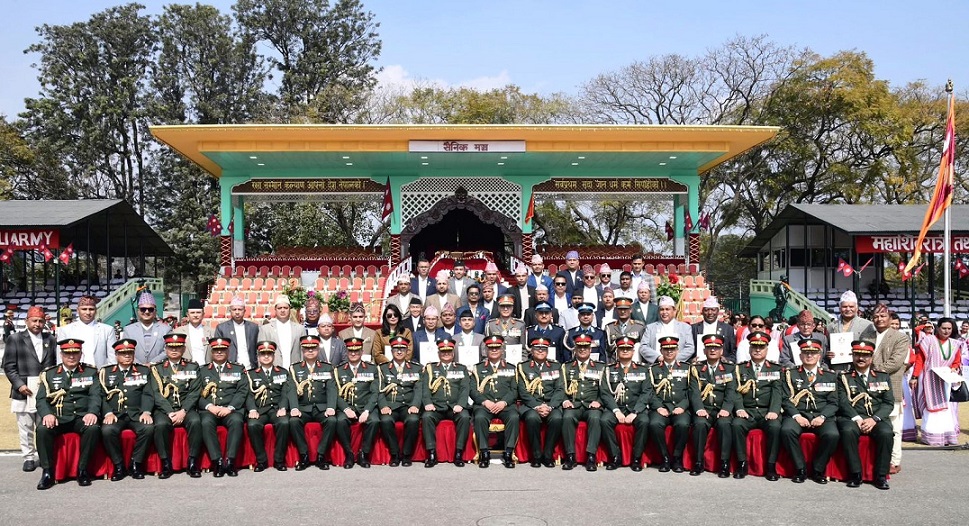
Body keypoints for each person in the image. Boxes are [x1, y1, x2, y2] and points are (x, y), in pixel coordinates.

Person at [35, 338, 101, 489]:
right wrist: (47, 414)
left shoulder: (90, 372)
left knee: (93, 428)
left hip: (81, 416)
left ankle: (82, 470)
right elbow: (41, 399)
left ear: (80, 354)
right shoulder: (49, 374)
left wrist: (92, 412)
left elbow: (95, 395)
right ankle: (47, 472)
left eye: (75, 353)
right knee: (42, 430)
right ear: (61, 355)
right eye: (67, 353)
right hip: (58, 417)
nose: (71, 356)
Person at [2, 305, 56, 472]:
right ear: (27, 321)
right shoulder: (15, 339)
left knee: (44, 426)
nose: (37, 324)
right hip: (24, 390)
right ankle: (29, 457)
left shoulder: (50, 339)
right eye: (34, 321)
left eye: (40, 321)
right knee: (25, 427)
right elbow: (8, 366)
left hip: (45, 391)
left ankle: (44, 456)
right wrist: (19, 385)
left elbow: (54, 364)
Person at [780, 338, 840, 484]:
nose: (809, 356)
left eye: (813, 353)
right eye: (806, 352)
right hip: (798, 414)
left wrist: (822, 416)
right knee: (787, 431)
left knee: (832, 435)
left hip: (821, 415)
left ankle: (818, 469)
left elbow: (834, 402)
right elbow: (785, 399)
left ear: (819, 356)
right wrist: (796, 416)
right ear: (800, 356)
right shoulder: (790, 374)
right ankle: (800, 469)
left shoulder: (829, 375)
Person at [838, 340, 894, 490]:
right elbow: (842, 402)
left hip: (875, 418)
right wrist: (857, 418)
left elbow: (888, 403)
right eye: (857, 355)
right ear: (852, 356)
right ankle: (855, 474)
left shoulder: (882, 376)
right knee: (848, 431)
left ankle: (881, 476)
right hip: (853, 417)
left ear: (871, 357)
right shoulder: (844, 377)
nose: (861, 358)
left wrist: (874, 419)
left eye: (865, 355)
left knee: (886, 433)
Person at [147, 332, 202, 479]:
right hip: (165, 409)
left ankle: (192, 462)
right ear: (165, 349)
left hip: (186, 408)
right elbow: (156, 393)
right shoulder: (157, 368)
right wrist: (170, 412)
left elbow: (194, 392)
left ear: (183, 349)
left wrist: (183, 411)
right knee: (160, 425)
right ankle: (166, 463)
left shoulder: (192, 366)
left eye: (178, 347)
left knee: (196, 422)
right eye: (171, 347)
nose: (174, 350)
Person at [98, 338, 154, 481]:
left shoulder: (143, 371)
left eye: (130, 353)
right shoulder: (106, 372)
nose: (127, 356)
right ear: (116, 355)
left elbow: (148, 393)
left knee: (147, 429)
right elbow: (101, 396)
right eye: (123, 353)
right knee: (107, 430)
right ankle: (119, 466)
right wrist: (108, 412)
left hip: (136, 413)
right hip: (115, 414)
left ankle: (136, 463)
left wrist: (146, 411)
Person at [732, 330, 783, 480]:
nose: (758, 350)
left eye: (761, 347)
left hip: (767, 411)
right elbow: (735, 391)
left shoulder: (775, 369)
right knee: (736, 425)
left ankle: (771, 466)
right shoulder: (739, 369)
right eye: (754, 347)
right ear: (749, 349)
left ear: (767, 349)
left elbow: (777, 392)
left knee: (775, 426)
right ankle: (742, 464)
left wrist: (774, 411)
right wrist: (739, 408)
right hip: (747, 411)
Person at [287, 335, 338, 471]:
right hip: (303, 408)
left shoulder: (327, 367)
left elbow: (331, 389)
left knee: (332, 420)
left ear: (318, 349)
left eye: (313, 348)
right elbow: (291, 389)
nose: (310, 351)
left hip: (322, 408)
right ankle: (304, 455)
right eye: (307, 348)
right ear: (302, 350)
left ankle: (321, 455)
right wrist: (294, 408)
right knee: (293, 421)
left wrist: (331, 407)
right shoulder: (294, 368)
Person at [601, 336, 653, 471]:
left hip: (636, 408)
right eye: (622, 349)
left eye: (628, 349)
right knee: (604, 420)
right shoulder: (609, 369)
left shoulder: (643, 369)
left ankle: (636, 458)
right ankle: (615, 456)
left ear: (633, 351)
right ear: (617, 351)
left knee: (644, 422)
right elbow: (605, 393)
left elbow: (646, 392)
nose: (625, 351)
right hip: (616, 407)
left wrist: (635, 412)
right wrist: (616, 411)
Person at [869, 303, 910, 474]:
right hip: (869, 389)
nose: (879, 319)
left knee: (894, 427)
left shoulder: (900, 337)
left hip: (890, 386)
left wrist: (871, 371)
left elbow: (895, 363)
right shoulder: (868, 335)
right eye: (876, 316)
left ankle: (894, 461)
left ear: (890, 318)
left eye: (883, 316)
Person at [197, 337, 246, 477]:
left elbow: (242, 391)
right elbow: (195, 393)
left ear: (228, 351)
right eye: (216, 350)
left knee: (237, 421)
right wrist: (209, 406)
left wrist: (230, 408)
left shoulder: (238, 369)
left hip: (230, 409)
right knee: (206, 422)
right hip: (209, 409)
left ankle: (230, 461)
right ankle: (217, 461)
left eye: (222, 350)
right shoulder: (202, 370)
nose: (219, 352)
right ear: (211, 352)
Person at [911, 317, 963, 446]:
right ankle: (931, 437)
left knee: (946, 408)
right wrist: (915, 376)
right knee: (931, 407)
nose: (946, 331)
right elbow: (920, 360)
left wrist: (954, 368)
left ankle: (946, 437)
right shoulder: (928, 340)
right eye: (944, 328)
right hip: (929, 378)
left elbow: (957, 361)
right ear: (938, 328)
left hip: (945, 380)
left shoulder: (955, 343)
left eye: (949, 329)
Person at [688, 334, 736, 477]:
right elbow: (694, 391)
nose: (713, 350)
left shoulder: (729, 368)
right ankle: (698, 462)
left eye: (716, 348)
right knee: (699, 424)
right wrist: (699, 409)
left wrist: (726, 409)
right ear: (704, 351)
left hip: (722, 409)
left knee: (724, 424)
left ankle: (724, 464)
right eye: (709, 348)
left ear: (722, 351)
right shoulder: (696, 368)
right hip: (704, 409)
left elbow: (731, 391)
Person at [560, 333, 608, 472]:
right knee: (567, 417)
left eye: (585, 347)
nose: (582, 350)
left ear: (590, 349)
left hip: (591, 405)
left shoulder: (600, 367)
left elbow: (605, 390)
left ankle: (591, 456)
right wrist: (565, 401)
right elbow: (560, 388)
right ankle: (570, 456)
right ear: (575, 348)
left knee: (595, 417)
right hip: (573, 404)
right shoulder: (566, 367)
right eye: (579, 347)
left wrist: (599, 401)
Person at [421, 338, 472, 468]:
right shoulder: (430, 368)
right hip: (436, 406)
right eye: (443, 351)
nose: (446, 354)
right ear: (438, 353)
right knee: (427, 417)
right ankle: (431, 454)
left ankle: (459, 453)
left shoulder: (461, 368)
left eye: (449, 351)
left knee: (465, 417)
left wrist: (460, 404)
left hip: (455, 406)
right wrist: (427, 403)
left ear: (453, 353)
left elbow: (465, 388)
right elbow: (425, 388)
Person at [470, 335, 519, 468]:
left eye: (497, 348)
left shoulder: (511, 368)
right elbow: (472, 390)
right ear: (486, 350)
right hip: (485, 405)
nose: (494, 350)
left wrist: (504, 402)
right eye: (491, 348)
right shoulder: (477, 368)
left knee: (514, 417)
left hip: (505, 405)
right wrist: (485, 402)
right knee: (480, 417)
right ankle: (484, 453)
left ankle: (508, 452)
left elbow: (515, 389)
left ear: (502, 350)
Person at [646, 336, 692, 473]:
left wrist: (682, 406)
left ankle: (677, 458)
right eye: (666, 349)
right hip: (661, 407)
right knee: (654, 424)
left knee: (683, 424)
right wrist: (659, 407)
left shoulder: (687, 368)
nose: (669, 352)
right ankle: (665, 457)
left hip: (680, 407)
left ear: (677, 350)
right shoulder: (653, 369)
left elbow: (692, 391)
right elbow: (649, 391)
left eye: (672, 349)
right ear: (661, 351)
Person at [375, 335, 423, 466]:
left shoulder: (416, 368)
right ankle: (395, 454)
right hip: (390, 405)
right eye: (396, 349)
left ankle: (406, 454)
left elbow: (418, 389)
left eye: (402, 349)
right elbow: (379, 390)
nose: (399, 352)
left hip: (408, 405)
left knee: (413, 420)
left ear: (407, 351)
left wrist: (415, 405)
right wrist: (383, 406)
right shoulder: (383, 368)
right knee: (385, 420)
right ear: (391, 351)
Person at [517, 336, 564, 468]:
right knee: (532, 418)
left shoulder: (555, 366)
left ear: (547, 351)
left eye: (543, 349)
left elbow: (560, 389)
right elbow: (522, 391)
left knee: (557, 418)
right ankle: (536, 455)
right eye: (537, 348)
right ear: (531, 351)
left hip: (551, 404)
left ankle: (548, 455)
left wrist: (550, 406)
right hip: (531, 405)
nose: (540, 351)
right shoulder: (523, 367)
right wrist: (537, 406)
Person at [244, 340, 290, 472]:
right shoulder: (251, 374)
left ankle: (279, 460)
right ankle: (261, 461)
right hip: (260, 410)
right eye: (262, 354)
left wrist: (283, 407)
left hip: (276, 409)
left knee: (284, 423)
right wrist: (252, 409)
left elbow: (285, 392)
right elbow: (248, 395)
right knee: (253, 425)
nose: (266, 356)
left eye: (269, 354)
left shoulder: (282, 372)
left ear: (274, 356)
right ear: (258, 356)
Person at [333, 337, 379, 468]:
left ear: (362, 352)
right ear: (346, 352)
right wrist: (346, 409)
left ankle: (363, 453)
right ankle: (349, 453)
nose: (353, 354)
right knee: (340, 421)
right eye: (350, 351)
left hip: (365, 406)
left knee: (374, 421)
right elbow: (335, 393)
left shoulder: (371, 368)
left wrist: (367, 410)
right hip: (347, 406)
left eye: (357, 351)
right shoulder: (338, 370)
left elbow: (375, 392)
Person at [57, 296, 117, 368]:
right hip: (75, 372)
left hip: (100, 372)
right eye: (84, 309)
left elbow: (113, 358)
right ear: (78, 310)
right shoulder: (65, 330)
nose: (88, 312)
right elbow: (60, 358)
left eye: (91, 309)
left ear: (96, 311)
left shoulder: (107, 330)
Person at [828, 290, 876, 371]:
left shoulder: (867, 325)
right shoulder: (831, 327)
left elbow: (871, 350)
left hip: (858, 370)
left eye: (851, 306)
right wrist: (829, 354)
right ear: (839, 308)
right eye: (844, 306)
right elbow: (827, 348)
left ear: (857, 308)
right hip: (837, 370)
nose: (848, 309)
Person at [640, 296, 695, 363]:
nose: (664, 312)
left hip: (678, 365)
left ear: (674, 311)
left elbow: (690, 348)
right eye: (662, 309)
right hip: (656, 365)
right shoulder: (650, 328)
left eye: (667, 309)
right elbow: (643, 347)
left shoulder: (685, 327)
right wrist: (658, 357)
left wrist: (673, 359)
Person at [258, 295, 307, 368]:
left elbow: (303, 352)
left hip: (295, 370)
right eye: (279, 308)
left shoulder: (300, 329)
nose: (282, 310)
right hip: (274, 371)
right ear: (275, 309)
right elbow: (260, 353)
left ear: (289, 309)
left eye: (285, 308)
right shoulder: (265, 329)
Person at [123, 291, 171, 365]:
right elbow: (126, 350)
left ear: (155, 311)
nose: (147, 312)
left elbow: (168, 350)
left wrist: (152, 363)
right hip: (135, 368)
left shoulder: (166, 329)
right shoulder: (128, 330)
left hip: (159, 368)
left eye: (150, 309)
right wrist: (140, 366)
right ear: (138, 311)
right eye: (143, 309)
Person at [691, 297, 737, 363]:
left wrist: (727, 360)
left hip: (721, 366)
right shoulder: (693, 328)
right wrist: (691, 360)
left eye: (713, 310)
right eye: (706, 310)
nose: (710, 313)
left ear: (718, 311)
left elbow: (733, 352)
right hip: (698, 365)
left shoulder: (728, 329)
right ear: (702, 312)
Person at [604, 297, 646, 364]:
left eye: (625, 309)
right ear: (616, 310)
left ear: (631, 310)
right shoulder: (609, 328)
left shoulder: (639, 327)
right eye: (620, 309)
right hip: (615, 364)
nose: (623, 311)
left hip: (634, 364)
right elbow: (607, 350)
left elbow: (644, 348)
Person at [174, 298, 214, 365]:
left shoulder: (211, 332)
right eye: (192, 313)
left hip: (206, 368)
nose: (195, 315)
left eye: (198, 312)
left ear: (203, 314)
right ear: (187, 314)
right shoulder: (178, 332)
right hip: (186, 368)